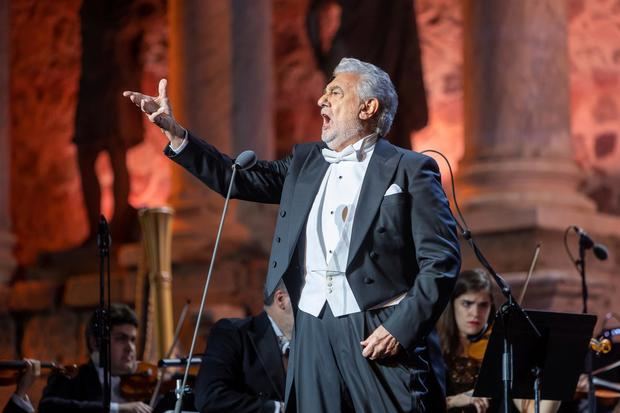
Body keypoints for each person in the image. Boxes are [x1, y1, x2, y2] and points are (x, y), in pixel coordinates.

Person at [124, 57, 461, 412]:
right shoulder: (306, 163)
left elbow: (441, 261)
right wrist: (177, 135)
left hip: (375, 328)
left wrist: (401, 328)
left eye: (335, 91)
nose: (321, 101)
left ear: (368, 107)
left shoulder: (410, 169)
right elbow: (237, 178)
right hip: (312, 330)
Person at [436, 269, 560, 413]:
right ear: (452, 305)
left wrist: (556, 372)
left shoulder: (502, 350)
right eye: (467, 304)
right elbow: (415, 405)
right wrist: (455, 400)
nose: (475, 313)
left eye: (483, 305)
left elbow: (533, 411)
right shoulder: (432, 349)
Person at [194, 280, 294, 413]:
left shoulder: (312, 343)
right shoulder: (231, 332)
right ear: (281, 300)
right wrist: (279, 409)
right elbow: (210, 397)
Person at [39, 303, 152, 413]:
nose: (130, 348)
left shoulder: (147, 385)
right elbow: (47, 406)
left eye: (133, 340)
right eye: (121, 338)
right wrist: (116, 409)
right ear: (96, 342)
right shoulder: (70, 377)